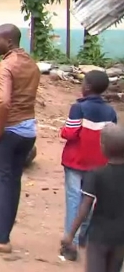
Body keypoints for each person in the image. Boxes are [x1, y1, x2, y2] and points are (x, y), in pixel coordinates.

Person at [0, 23, 40, 253]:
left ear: (9, 42)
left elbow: (3, 101)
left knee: (2, 184)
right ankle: (4, 233)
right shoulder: (30, 63)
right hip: (28, 131)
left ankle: (1, 240)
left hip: (10, 130)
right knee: (13, 182)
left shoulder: (6, 65)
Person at [60, 70, 118, 261]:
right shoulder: (110, 112)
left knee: (74, 201)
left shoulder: (78, 108)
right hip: (97, 164)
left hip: (76, 161)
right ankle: (83, 237)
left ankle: (70, 243)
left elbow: (70, 133)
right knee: (90, 201)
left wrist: (63, 130)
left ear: (87, 87)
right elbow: (111, 137)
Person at [62, 124, 124, 272]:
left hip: (99, 235)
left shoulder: (97, 175)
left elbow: (85, 208)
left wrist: (70, 235)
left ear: (103, 147)